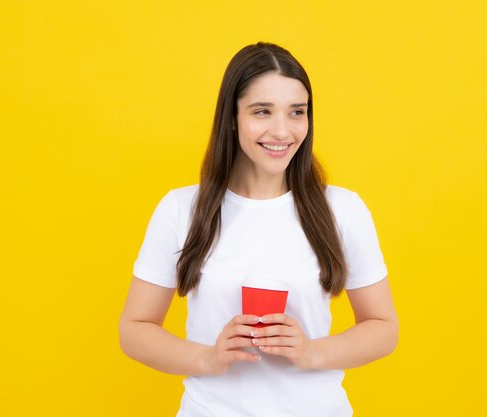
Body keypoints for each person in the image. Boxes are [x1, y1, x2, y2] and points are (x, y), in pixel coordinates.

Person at [119, 42, 398, 417]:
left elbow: (383, 328)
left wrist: (312, 351)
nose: (282, 131)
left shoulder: (342, 210)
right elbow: (134, 329)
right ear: (232, 117)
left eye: (297, 112)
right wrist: (208, 357)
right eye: (262, 111)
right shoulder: (181, 210)